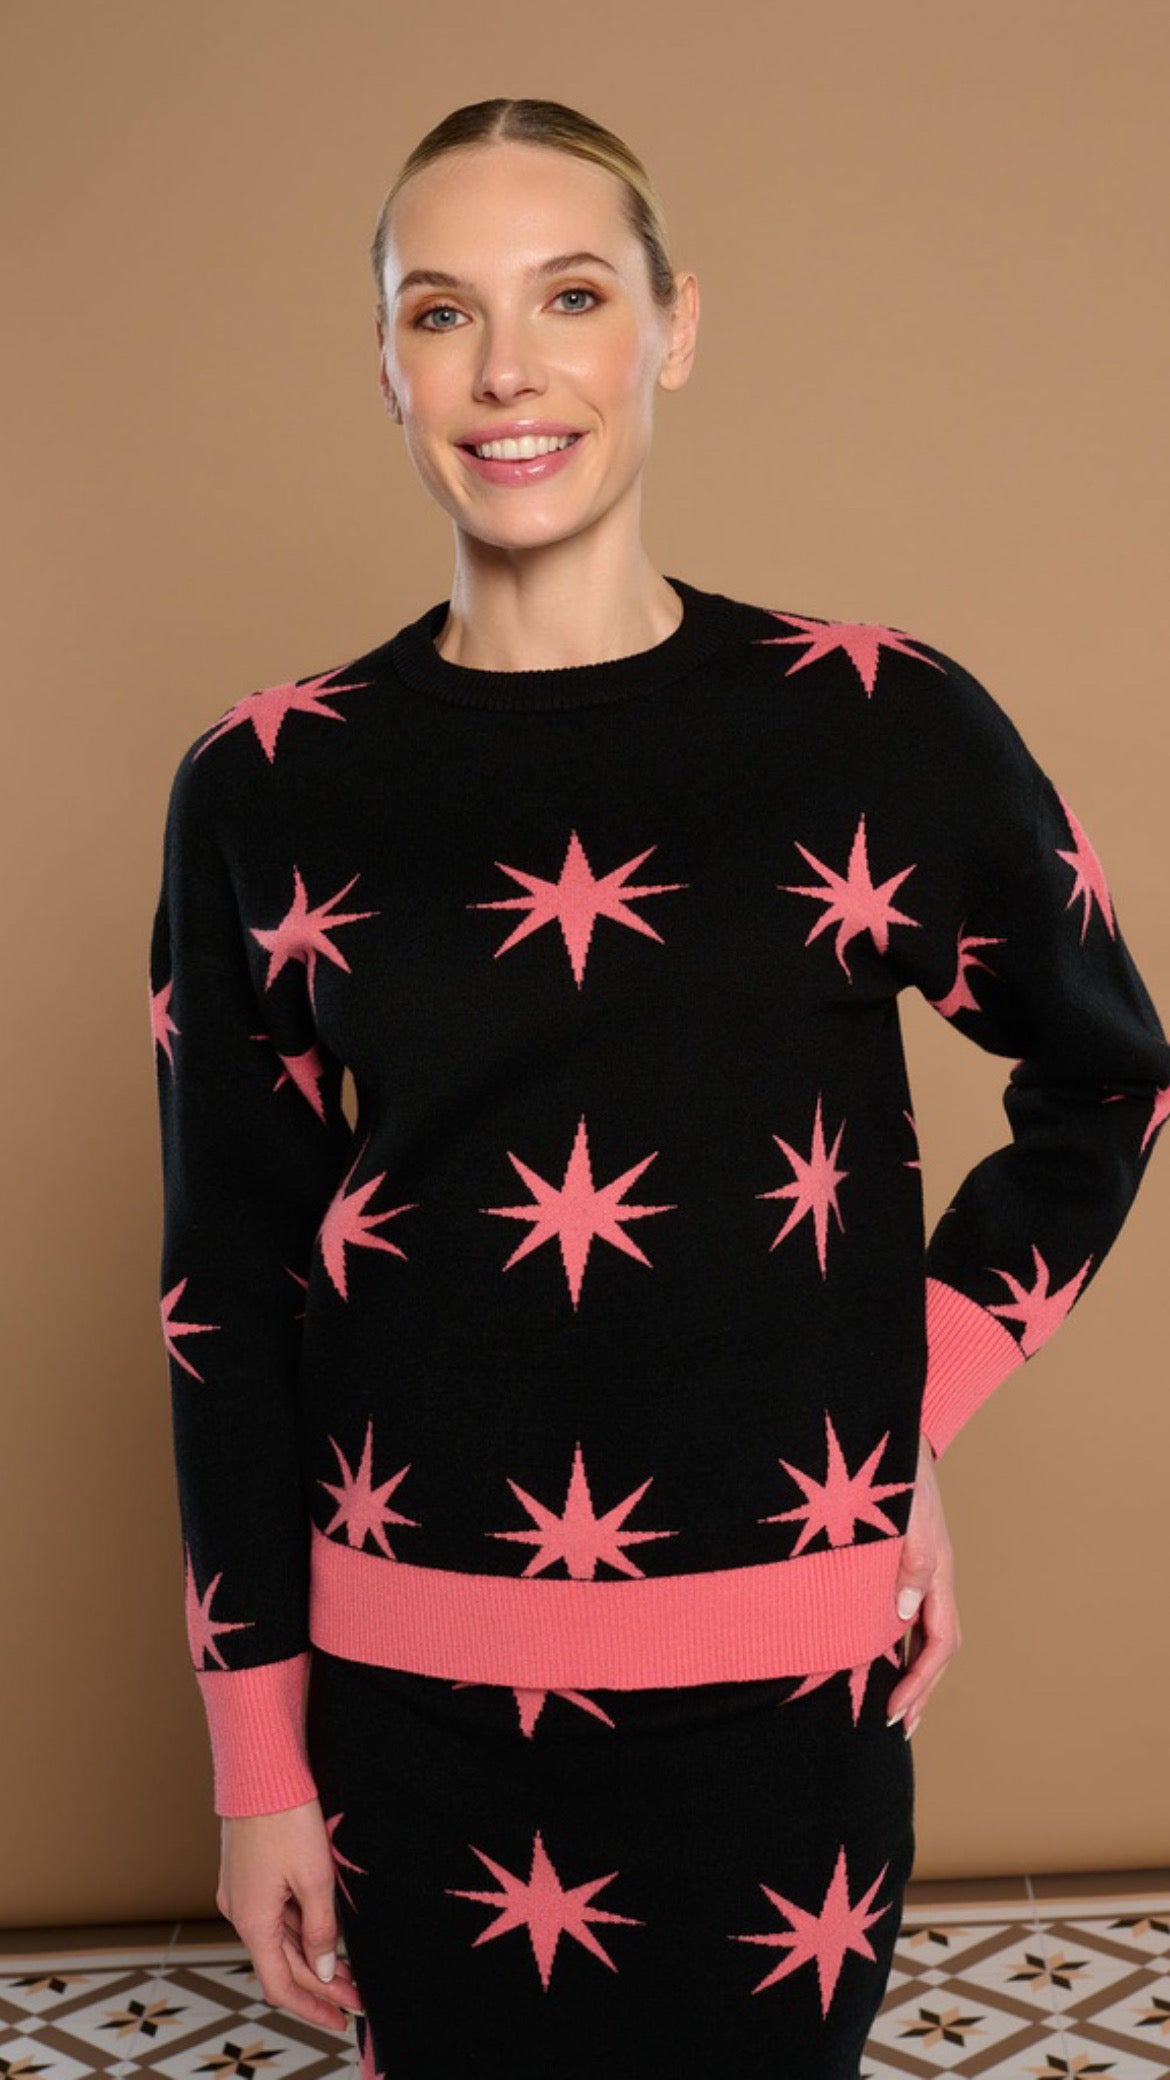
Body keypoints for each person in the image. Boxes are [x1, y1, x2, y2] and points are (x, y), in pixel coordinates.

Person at [147, 96, 1170, 2080]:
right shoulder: (268, 781)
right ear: (384, 360)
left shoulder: (876, 725)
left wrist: (903, 1398)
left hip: (783, 1698)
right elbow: (226, 1290)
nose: (505, 370)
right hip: (410, 1706)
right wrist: (258, 1762)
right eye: (441, 310)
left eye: (571, 296)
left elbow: (1106, 1077)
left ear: (673, 328)